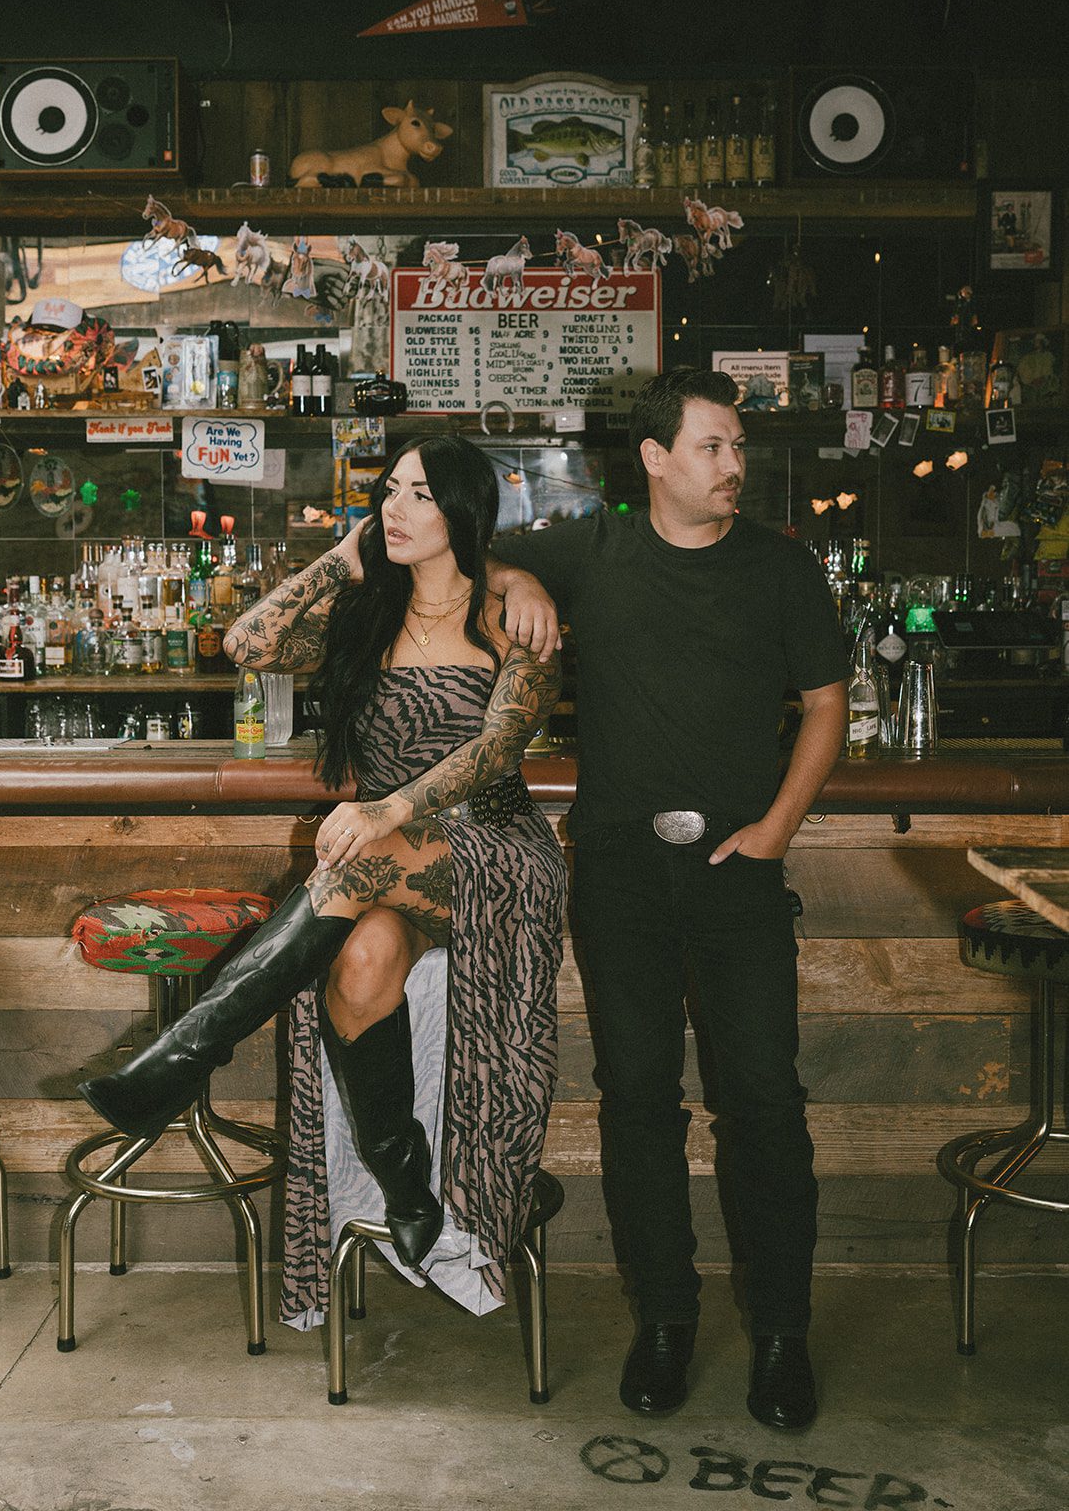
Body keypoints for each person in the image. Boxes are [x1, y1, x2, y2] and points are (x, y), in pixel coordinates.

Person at [78, 434, 565, 1284]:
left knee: (357, 868)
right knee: (362, 965)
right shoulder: (366, 617)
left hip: (492, 854)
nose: (395, 509)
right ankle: (408, 1185)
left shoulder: (507, 620)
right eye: (389, 492)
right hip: (386, 857)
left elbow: (496, 750)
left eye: (419, 495)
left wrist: (390, 807)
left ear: (462, 511)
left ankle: (185, 1055)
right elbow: (245, 643)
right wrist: (342, 559)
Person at [488, 367, 849, 1429]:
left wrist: (778, 827)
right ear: (653, 458)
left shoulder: (782, 570)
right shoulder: (591, 549)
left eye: (736, 448)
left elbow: (826, 706)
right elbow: (461, 547)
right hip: (617, 869)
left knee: (766, 1105)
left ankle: (782, 1333)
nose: (734, 466)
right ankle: (666, 1322)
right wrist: (517, 575)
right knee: (639, 1101)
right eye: (712, 447)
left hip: (740, 871)